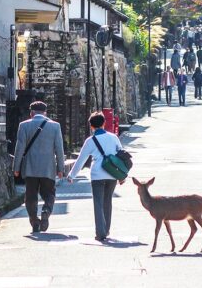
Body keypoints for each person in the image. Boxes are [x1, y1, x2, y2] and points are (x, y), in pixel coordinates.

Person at [66, 112, 126, 242]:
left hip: (97, 174)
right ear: (104, 123)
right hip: (112, 173)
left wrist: (72, 175)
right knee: (107, 201)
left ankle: (100, 232)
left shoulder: (90, 141)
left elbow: (81, 160)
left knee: (98, 203)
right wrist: (122, 175)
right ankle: (106, 229)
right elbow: (121, 155)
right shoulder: (113, 137)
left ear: (91, 126)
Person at [12, 101, 65, 233]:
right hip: (48, 167)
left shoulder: (24, 126)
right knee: (49, 194)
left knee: (30, 196)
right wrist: (60, 169)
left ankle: (34, 220)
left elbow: (19, 148)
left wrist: (16, 167)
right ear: (45, 112)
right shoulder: (55, 126)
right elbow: (59, 149)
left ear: (31, 113)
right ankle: (46, 210)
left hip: (30, 168)